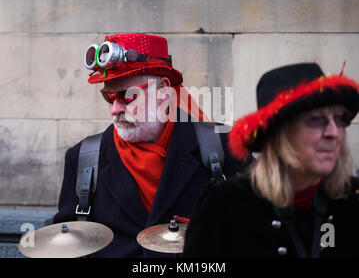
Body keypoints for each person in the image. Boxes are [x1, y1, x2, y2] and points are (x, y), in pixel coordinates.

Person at [53, 33, 251, 257]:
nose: (114, 110)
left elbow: (257, 235)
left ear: (163, 92)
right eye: (109, 97)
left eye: (127, 96)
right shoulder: (81, 158)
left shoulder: (225, 146)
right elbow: (65, 245)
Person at [183, 62, 359, 258]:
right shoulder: (226, 204)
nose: (333, 133)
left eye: (340, 119)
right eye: (316, 119)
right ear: (279, 134)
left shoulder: (352, 200)